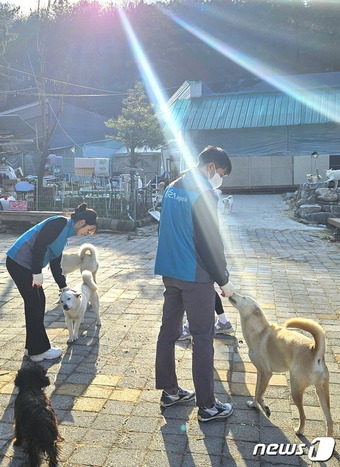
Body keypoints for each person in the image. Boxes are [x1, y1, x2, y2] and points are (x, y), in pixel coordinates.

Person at [155, 145, 235, 422]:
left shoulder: (172, 187)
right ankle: (208, 406)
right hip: (195, 275)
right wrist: (223, 279)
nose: (219, 178)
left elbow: (164, 227)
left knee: (169, 333)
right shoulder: (204, 192)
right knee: (203, 339)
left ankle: (170, 392)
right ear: (211, 166)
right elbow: (210, 240)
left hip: (170, 271)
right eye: (221, 172)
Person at [6, 203, 97, 362]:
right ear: (81, 222)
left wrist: (63, 286)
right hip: (19, 263)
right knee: (35, 304)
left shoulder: (64, 234)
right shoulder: (60, 223)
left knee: (38, 303)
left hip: (25, 266)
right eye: (88, 229)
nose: (87, 234)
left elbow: (56, 263)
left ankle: (32, 347)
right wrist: (36, 272)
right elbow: (39, 246)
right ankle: (39, 351)